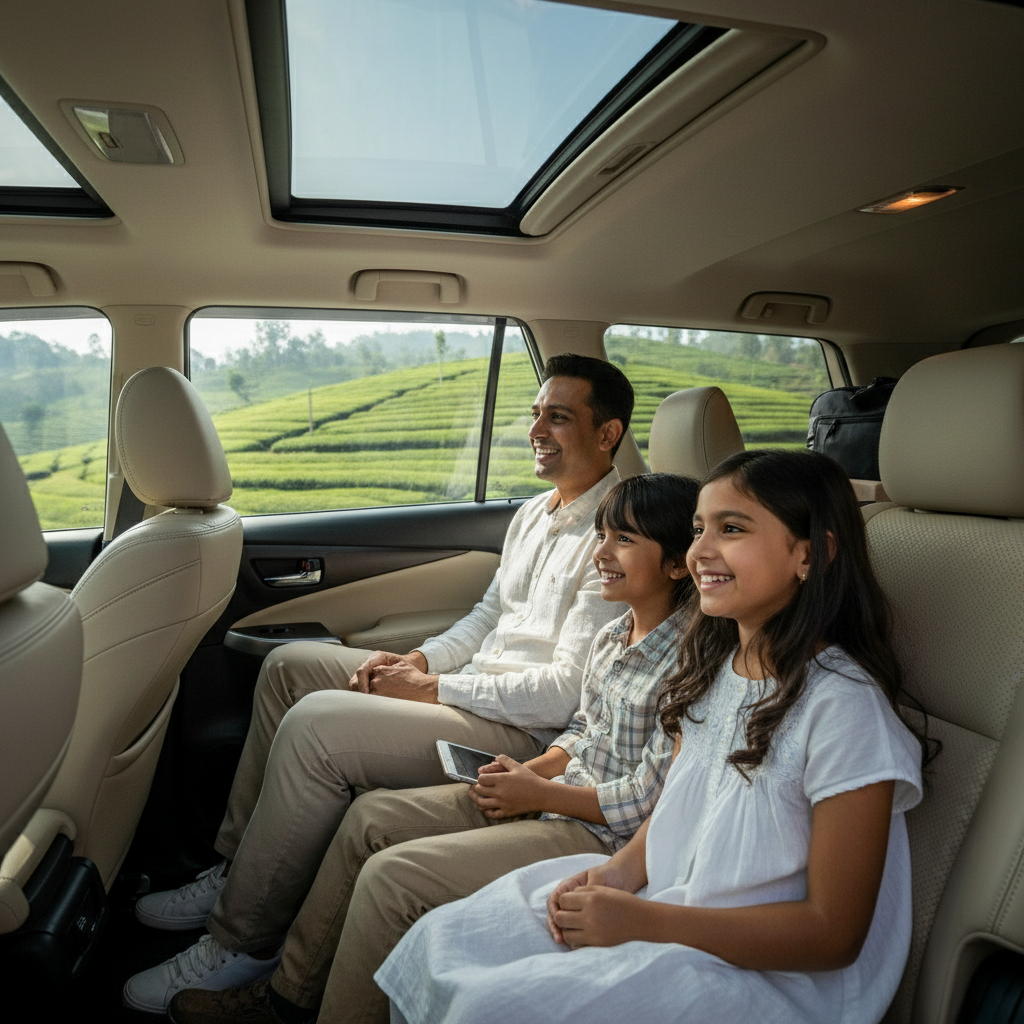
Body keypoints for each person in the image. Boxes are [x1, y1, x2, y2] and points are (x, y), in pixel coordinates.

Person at [123, 354, 633, 1013]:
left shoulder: (622, 534)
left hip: (521, 724)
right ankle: (242, 872)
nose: (537, 427)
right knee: (290, 669)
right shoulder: (536, 512)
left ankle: (241, 939)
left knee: (317, 726)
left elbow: (563, 692)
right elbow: (486, 618)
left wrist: (435, 692)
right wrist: (420, 662)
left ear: (607, 434)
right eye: (536, 412)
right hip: (474, 688)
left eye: (558, 417)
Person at [375, 448, 931, 1024]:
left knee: (492, 1006)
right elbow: (675, 807)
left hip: (762, 975)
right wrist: (616, 874)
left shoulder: (844, 709)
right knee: (446, 937)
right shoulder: (716, 669)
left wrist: (647, 922)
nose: (700, 552)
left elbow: (831, 936)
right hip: (668, 903)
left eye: (732, 529)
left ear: (811, 555)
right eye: (697, 530)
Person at [165, 472, 700, 1024]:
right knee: (368, 815)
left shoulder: (688, 663)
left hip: (596, 827)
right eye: (602, 535)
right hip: (553, 784)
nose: (601, 551)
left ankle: (294, 990)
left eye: (624, 540)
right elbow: (586, 726)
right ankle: (288, 993)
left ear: (679, 563)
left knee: (387, 875)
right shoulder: (615, 636)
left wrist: (539, 791)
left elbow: (647, 798)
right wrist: (527, 773)